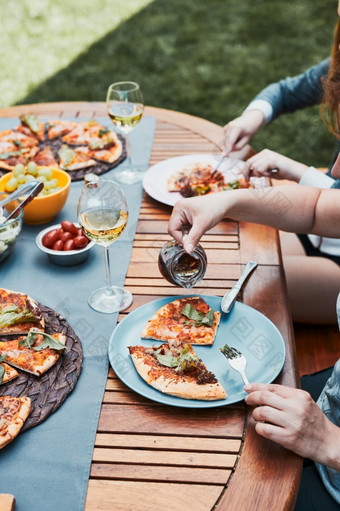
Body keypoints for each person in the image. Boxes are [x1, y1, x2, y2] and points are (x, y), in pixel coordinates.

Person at [219, 18, 340, 324]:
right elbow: (286, 91)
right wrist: (252, 118)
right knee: (235, 256)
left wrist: (294, 169)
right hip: (312, 232)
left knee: (246, 292)